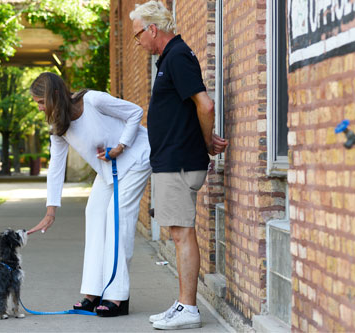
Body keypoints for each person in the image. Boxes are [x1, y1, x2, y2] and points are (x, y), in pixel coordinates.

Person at [129, 1, 228, 330]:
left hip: (179, 162)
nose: (137, 41)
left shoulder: (178, 56)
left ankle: (189, 308)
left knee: (183, 234)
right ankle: (183, 303)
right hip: (172, 159)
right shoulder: (169, 59)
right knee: (177, 232)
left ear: (153, 29)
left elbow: (206, 104)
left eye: (138, 34)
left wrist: (205, 140)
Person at [27, 72, 151, 317]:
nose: (40, 108)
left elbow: (135, 112)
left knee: (118, 221)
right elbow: (55, 167)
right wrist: (51, 211)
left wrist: (120, 146)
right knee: (94, 214)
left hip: (136, 157)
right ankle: (93, 293)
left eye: (41, 102)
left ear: (54, 95)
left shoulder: (93, 100)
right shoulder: (60, 126)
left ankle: (117, 297)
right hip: (108, 171)